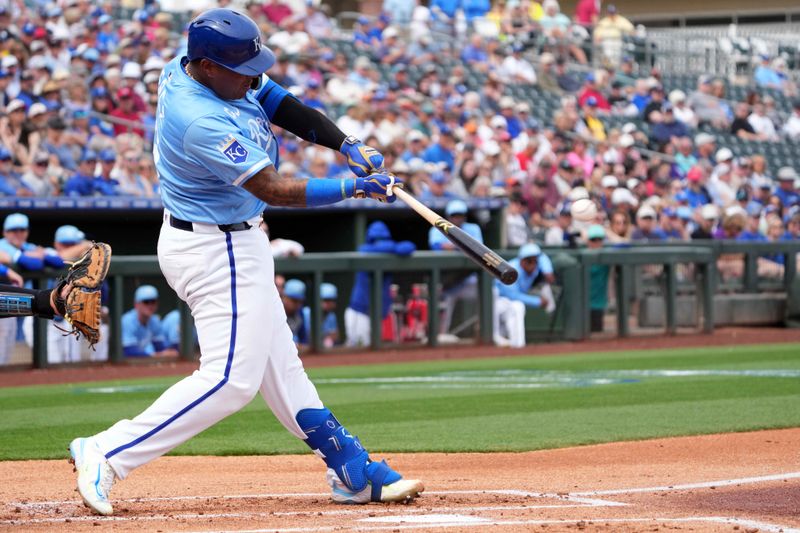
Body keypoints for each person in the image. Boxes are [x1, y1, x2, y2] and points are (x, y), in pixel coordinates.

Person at [69, 9, 422, 517]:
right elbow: (273, 189)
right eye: (243, 68)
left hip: (238, 238)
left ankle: (349, 467)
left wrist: (346, 144)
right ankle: (108, 450)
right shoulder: (199, 118)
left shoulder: (210, 69)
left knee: (281, 364)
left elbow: (280, 101)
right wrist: (355, 187)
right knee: (232, 380)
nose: (254, 76)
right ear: (207, 66)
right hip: (214, 249)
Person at [0, 243, 109, 365]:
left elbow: (55, 260)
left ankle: (53, 302)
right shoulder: (4, 245)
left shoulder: (30, 247)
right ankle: (53, 302)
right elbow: (33, 263)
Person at [346, 221, 416, 347]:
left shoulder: (392, 251)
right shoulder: (365, 250)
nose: (380, 243)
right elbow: (369, 249)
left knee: (375, 351)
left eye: (383, 239)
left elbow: (409, 246)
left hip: (378, 313)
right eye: (377, 239)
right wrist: (391, 248)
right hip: (360, 312)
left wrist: (389, 247)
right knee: (359, 350)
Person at [493, 243, 556, 348]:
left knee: (517, 307)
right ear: (522, 260)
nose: (534, 264)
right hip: (496, 302)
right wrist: (537, 301)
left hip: (507, 304)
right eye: (530, 261)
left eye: (535, 261)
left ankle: (518, 347)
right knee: (517, 306)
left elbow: (543, 257)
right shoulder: (511, 270)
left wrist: (548, 271)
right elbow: (512, 295)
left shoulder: (535, 266)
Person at [120, 285, 176, 358]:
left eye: (153, 301)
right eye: (146, 302)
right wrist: (155, 355)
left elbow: (159, 346)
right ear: (136, 304)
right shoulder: (127, 321)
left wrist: (168, 352)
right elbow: (129, 351)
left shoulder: (155, 321)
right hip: (113, 363)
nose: (150, 305)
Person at [585, 225, 610, 333]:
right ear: (588, 241)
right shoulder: (582, 254)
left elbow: (626, 244)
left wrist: (608, 232)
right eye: (593, 240)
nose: (596, 242)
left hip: (598, 303)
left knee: (597, 333)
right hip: (582, 304)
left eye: (599, 239)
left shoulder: (606, 255)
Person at [282, 278, 311, 347]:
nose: (298, 305)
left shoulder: (301, 314)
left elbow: (304, 341)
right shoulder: (276, 313)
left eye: (300, 301)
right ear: (284, 297)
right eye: (294, 300)